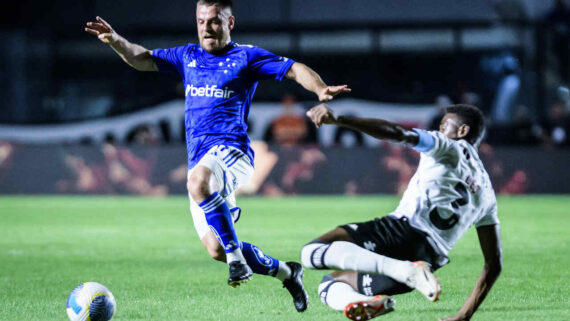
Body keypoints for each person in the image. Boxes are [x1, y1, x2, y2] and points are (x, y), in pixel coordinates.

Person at [85, 0, 350, 312]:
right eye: (201, 21)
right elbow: (142, 58)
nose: (206, 28)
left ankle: (237, 260)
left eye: (213, 21)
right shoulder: (187, 56)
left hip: (232, 153)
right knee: (215, 248)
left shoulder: (246, 56)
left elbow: (294, 69)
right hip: (201, 160)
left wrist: (319, 89)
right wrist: (116, 40)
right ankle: (288, 272)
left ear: (230, 23)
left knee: (199, 183)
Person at [302, 104, 502, 321]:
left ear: (462, 131)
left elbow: (399, 134)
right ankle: (363, 302)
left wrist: (340, 120)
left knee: (311, 253)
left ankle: (405, 271)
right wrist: (463, 316)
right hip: (429, 257)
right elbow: (493, 264)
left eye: (445, 125)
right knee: (331, 283)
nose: (440, 129)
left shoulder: (446, 146)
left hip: (402, 232)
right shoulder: (487, 194)